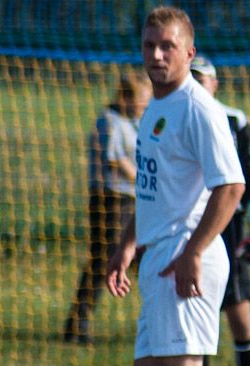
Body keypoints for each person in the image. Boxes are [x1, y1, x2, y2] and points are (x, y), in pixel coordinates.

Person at [106, 5, 250, 366]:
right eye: (149, 44)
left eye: (167, 46)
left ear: (188, 52)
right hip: (159, 254)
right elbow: (154, 192)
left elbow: (233, 186)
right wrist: (127, 245)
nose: (155, 54)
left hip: (186, 258)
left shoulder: (200, 109)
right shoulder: (157, 105)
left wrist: (193, 252)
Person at [190, 55, 250, 366]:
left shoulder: (234, 121)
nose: (195, 83)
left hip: (229, 226)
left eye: (201, 78)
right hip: (189, 226)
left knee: (239, 316)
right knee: (196, 318)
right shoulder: (177, 118)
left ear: (214, 84)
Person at [64, 71, 152, 344]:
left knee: (142, 257)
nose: (144, 108)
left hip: (133, 201)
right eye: (141, 102)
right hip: (110, 200)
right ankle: (77, 324)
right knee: (104, 259)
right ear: (125, 97)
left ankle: (155, 320)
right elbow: (116, 160)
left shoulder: (135, 123)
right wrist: (146, 183)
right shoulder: (109, 121)